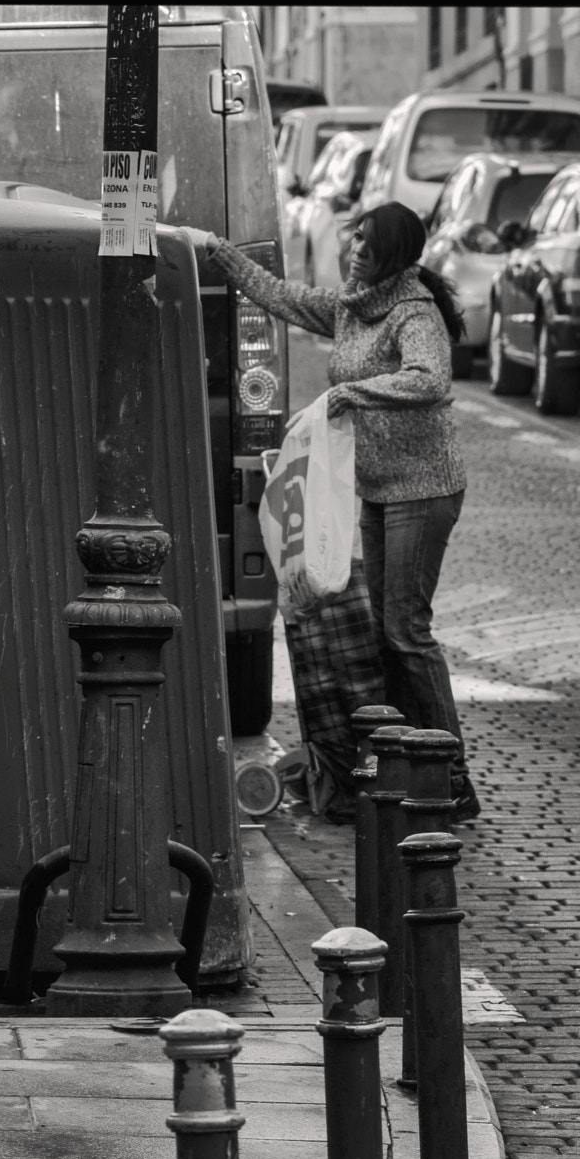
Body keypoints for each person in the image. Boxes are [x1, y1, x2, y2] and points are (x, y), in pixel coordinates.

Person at [187, 204, 479, 822]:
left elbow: (431, 379)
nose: (354, 254)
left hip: (424, 491)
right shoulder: (354, 306)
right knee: (386, 635)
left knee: (407, 633)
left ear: (393, 259)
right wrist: (217, 250)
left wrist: (350, 391)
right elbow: (282, 296)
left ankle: (450, 776)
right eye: (355, 242)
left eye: (368, 249)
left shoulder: (413, 312)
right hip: (378, 490)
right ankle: (403, 768)